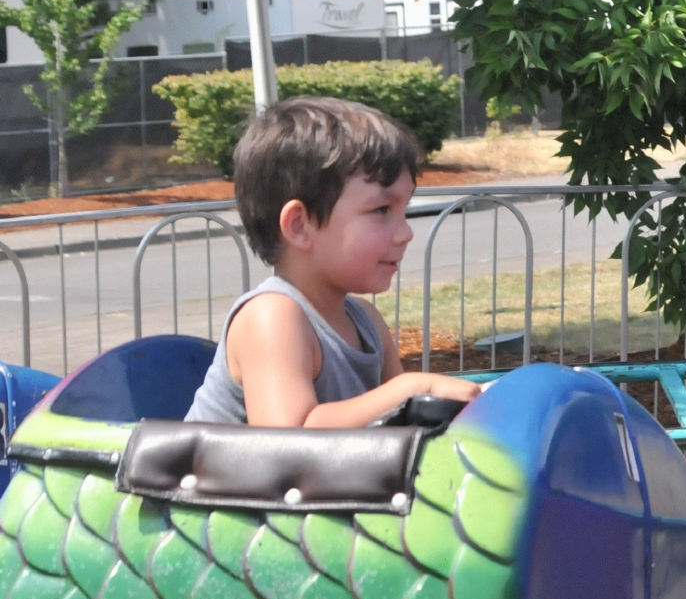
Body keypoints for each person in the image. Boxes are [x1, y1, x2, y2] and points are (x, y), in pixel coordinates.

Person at [183, 97, 481, 427]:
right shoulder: (271, 318)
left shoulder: (367, 321)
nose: (405, 233)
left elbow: (404, 429)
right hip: (216, 480)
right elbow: (289, 437)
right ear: (299, 226)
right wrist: (412, 388)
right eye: (381, 211)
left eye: (404, 210)